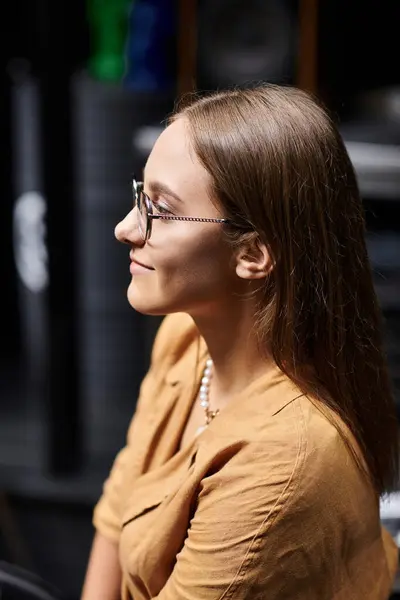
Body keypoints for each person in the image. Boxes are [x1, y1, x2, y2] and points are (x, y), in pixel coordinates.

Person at [81, 84, 399, 600]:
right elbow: (118, 511)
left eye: (160, 208)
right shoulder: (186, 337)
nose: (125, 228)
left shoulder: (283, 464)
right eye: (140, 194)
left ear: (253, 253)